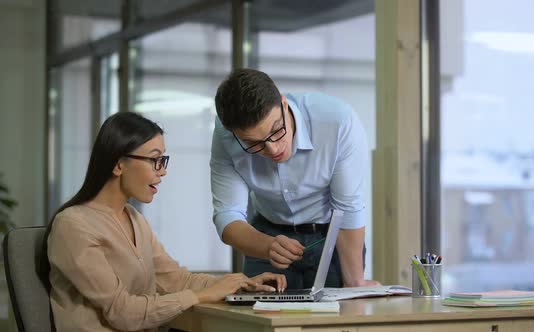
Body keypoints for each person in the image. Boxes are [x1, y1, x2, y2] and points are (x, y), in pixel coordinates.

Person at [43, 112, 286, 332]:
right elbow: (122, 312)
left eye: (163, 160)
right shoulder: (73, 225)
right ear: (118, 164)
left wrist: (238, 284)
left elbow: (176, 280)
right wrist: (200, 296)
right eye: (154, 160)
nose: (163, 171)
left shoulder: (135, 219)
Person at [210, 68, 379, 289]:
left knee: (337, 317)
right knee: (257, 318)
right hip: (266, 234)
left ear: (284, 104)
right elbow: (227, 214)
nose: (272, 149)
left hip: (330, 236)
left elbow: (348, 209)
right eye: (253, 143)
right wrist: (266, 245)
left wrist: (355, 283)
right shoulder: (225, 135)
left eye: (277, 130)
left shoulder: (337, 122)